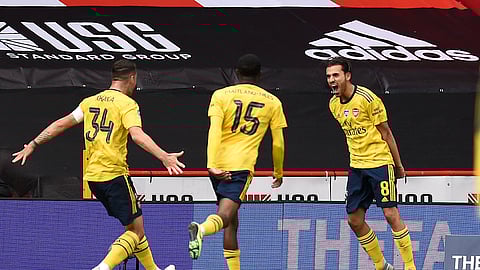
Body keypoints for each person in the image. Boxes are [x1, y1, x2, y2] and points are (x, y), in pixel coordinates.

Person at [12, 59, 184, 270]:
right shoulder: (127, 104)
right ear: (132, 78)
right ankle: (103, 267)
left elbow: (60, 124)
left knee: (135, 226)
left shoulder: (90, 102)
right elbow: (137, 136)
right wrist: (164, 157)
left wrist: (33, 144)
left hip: (93, 178)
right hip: (114, 175)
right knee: (135, 232)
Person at [188, 54, 287, 270]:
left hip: (217, 166)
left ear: (236, 73)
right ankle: (202, 230)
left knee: (232, 221)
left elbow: (214, 131)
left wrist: (211, 164)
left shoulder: (220, 95)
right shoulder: (272, 102)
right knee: (225, 215)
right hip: (240, 167)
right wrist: (278, 171)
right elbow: (278, 143)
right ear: (260, 75)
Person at [326, 57, 416, 270]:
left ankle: (410, 266)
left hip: (379, 163)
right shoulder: (333, 105)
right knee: (354, 221)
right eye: (328, 76)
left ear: (347, 75)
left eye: (336, 75)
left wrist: (398, 165)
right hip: (357, 167)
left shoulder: (368, 98)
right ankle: (381, 266)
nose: (331, 80)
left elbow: (386, 133)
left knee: (390, 213)